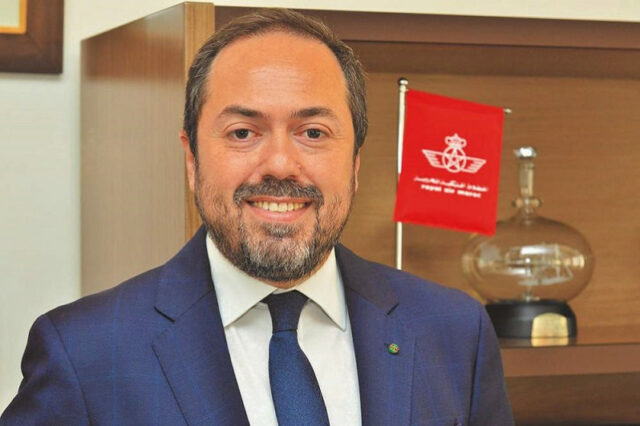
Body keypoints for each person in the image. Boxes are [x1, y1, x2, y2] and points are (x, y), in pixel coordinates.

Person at [1, 8, 513, 426]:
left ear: (355, 164)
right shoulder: (84, 352)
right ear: (192, 158)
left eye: (313, 133)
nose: (280, 164)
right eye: (243, 133)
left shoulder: (454, 332)